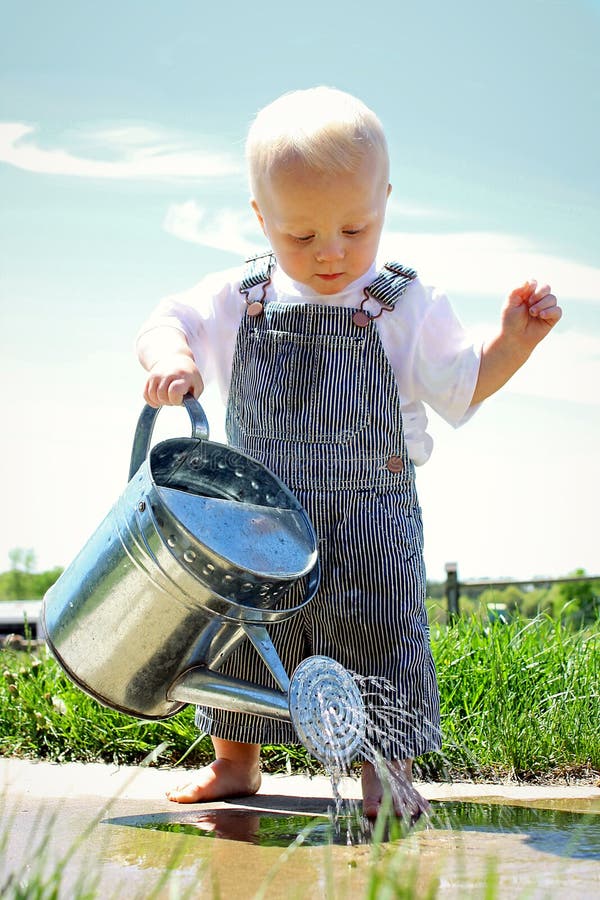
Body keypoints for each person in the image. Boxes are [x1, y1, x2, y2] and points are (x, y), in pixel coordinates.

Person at [136, 86, 562, 820]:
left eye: (355, 227)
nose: (330, 252)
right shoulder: (242, 297)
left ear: (385, 201)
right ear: (261, 218)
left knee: (379, 633)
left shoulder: (403, 302)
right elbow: (169, 317)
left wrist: (514, 342)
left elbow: (463, 385)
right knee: (244, 636)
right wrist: (173, 356)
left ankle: (384, 772)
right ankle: (235, 762)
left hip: (370, 514)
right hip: (260, 519)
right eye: (300, 235)